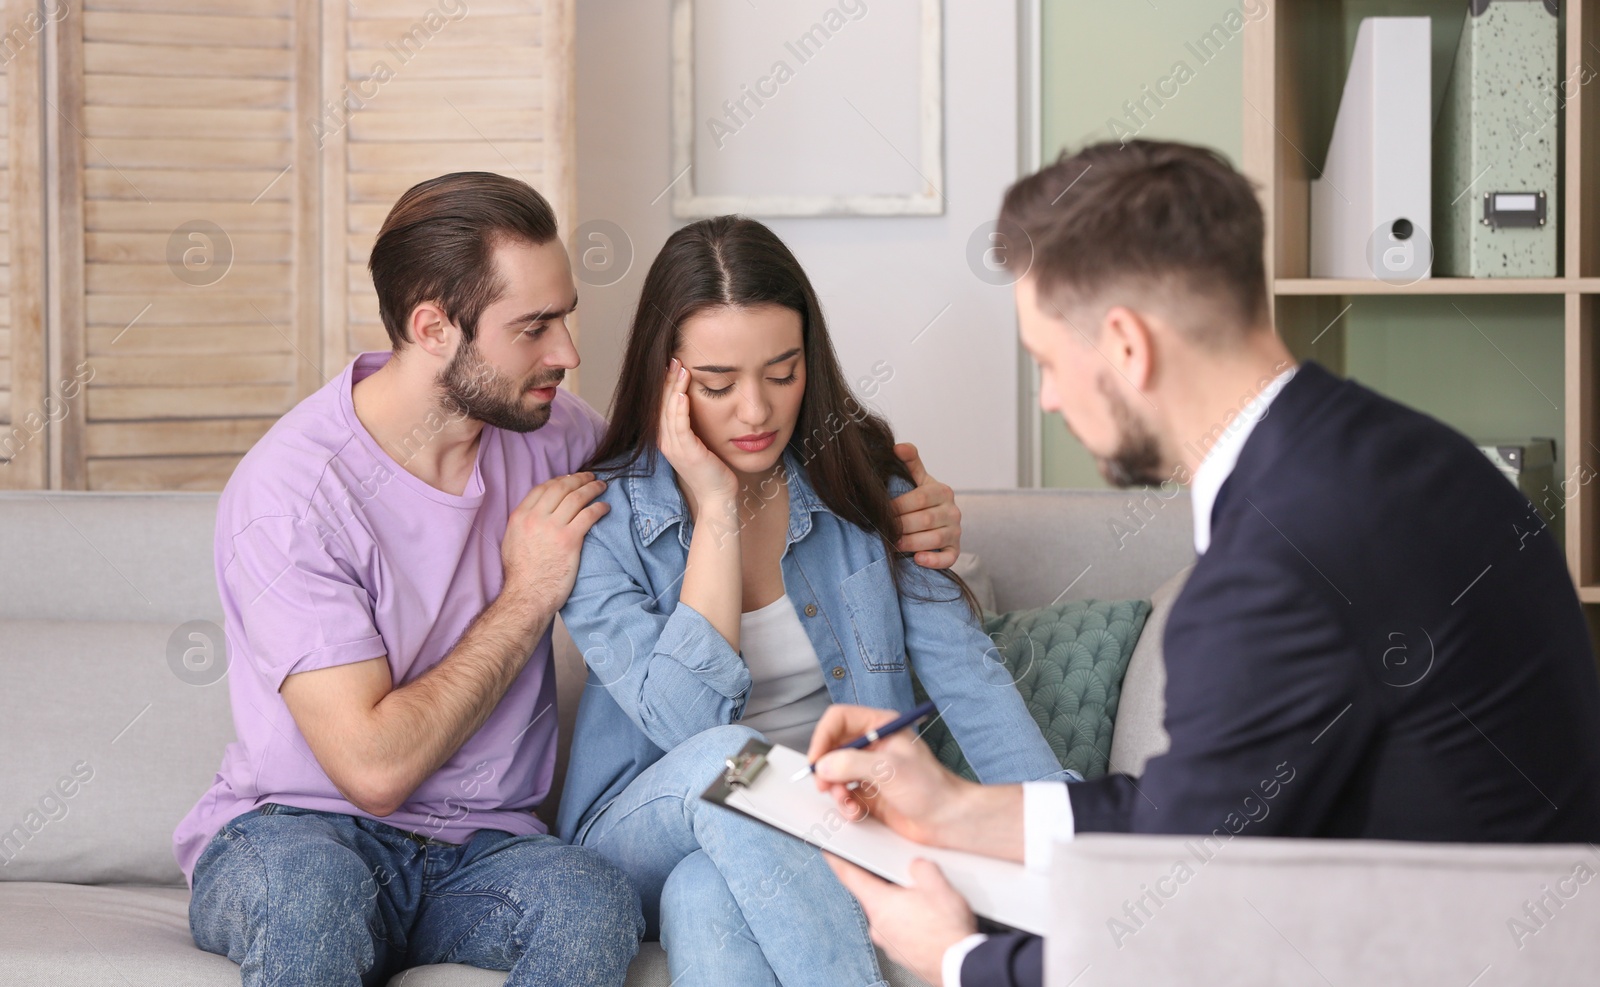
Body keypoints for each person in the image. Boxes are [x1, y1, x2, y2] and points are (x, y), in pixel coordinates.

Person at [804, 140, 1600, 987]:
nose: (1048, 397)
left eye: (1046, 361)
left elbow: (1172, 941)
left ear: (1125, 346)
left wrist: (955, 955)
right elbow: (1199, 823)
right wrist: (958, 809)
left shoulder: (1275, 559)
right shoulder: (1389, 452)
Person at [170, 170, 951, 987]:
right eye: (534, 327)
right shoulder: (292, 496)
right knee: (315, 898)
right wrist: (527, 592)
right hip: (301, 831)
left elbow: (741, 457)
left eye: (566, 317)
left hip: (487, 850)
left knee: (591, 901)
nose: (569, 354)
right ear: (434, 326)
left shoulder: (555, 437)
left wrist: (906, 504)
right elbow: (373, 770)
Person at [555, 215, 1073, 987]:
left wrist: (1080, 863)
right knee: (738, 764)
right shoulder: (605, 525)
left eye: (783, 371)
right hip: (643, 827)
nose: (757, 411)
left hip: (837, 828)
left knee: (706, 896)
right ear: (667, 376)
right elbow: (691, 732)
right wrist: (718, 514)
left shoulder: (865, 487)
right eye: (719, 383)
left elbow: (972, 683)